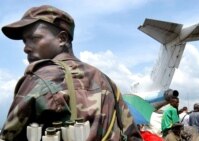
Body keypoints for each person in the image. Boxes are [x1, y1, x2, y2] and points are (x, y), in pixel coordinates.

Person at [0, 5, 142, 141]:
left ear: (62, 39)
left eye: (34, 38)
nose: (26, 48)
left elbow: (8, 136)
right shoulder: (106, 82)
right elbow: (132, 136)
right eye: (25, 41)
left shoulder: (39, 79)